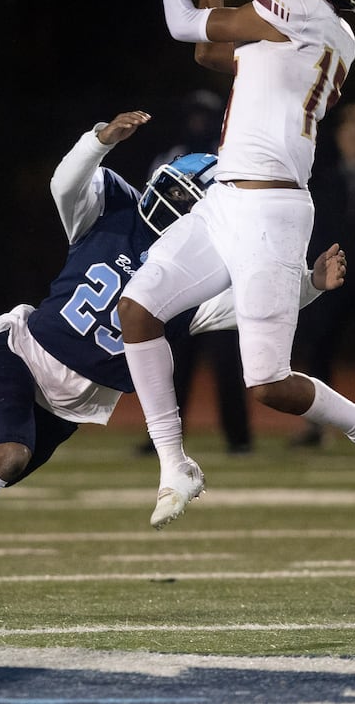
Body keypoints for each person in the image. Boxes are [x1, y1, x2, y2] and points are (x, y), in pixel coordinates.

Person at [0, 110, 347, 629]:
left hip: (70, 406)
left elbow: (250, 308)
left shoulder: (197, 283)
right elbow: (65, 185)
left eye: (189, 201)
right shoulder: (112, 208)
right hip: (21, 354)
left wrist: (310, 285)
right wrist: (99, 140)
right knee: (9, 454)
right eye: (174, 190)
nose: (173, 203)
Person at [117, 0, 355, 529]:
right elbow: (207, 49)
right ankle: (174, 463)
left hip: (272, 211)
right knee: (137, 311)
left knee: (269, 384)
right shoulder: (321, 32)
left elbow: (180, 26)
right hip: (227, 196)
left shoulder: (300, 7)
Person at [137, 89, 253, 457]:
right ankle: (164, 439)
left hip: (219, 271)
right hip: (178, 269)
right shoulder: (169, 159)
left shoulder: (230, 159)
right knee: (172, 362)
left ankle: (239, 437)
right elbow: (149, 210)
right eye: (195, 115)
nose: (199, 122)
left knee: (226, 361)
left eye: (206, 115)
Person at [289, 101, 355, 447]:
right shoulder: (325, 175)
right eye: (347, 133)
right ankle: (317, 426)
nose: (351, 140)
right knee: (320, 345)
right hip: (332, 273)